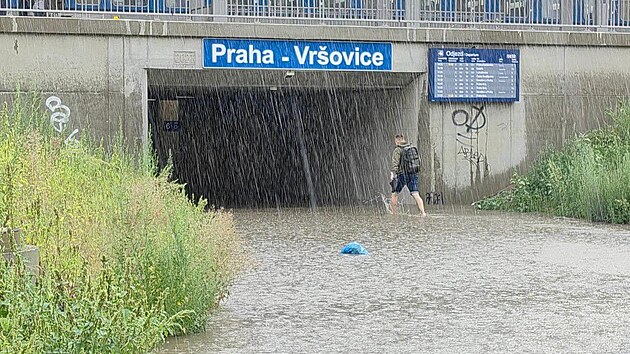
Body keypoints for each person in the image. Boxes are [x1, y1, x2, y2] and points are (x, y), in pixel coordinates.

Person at [389, 134, 426, 216]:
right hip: (413, 173)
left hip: (402, 175)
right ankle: (423, 213)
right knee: (416, 194)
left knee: (394, 193)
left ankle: (394, 214)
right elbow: (418, 161)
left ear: (397, 140)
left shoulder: (398, 150)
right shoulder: (412, 147)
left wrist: (393, 174)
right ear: (403, 139)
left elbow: (395, 163)